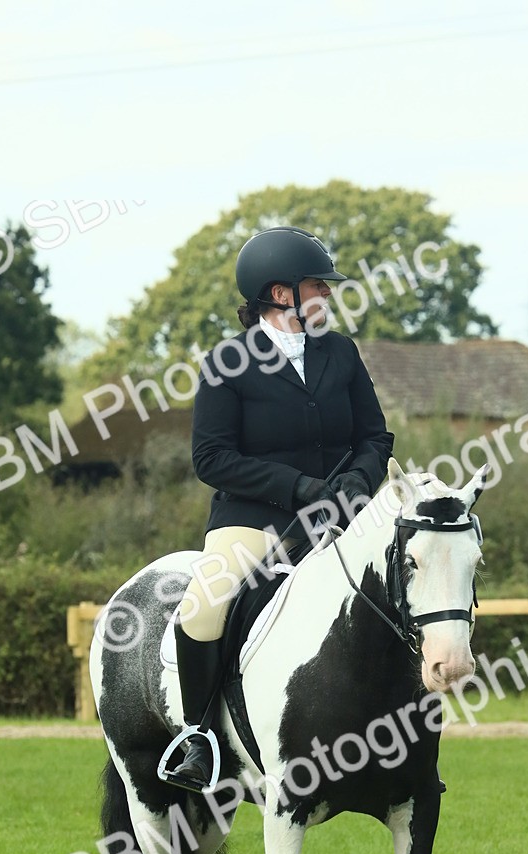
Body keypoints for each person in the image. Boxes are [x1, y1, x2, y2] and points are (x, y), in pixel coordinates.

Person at [167, 225, 394, 788]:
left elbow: (375, 437)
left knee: (409, 578)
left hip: (344, 514)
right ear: (278, 293)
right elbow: (211, 458)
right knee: (204, 603)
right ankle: (198, 738)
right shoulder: (227, 362)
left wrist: (356, 486)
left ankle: (407, 739)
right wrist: (298, 487)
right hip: (254, 519)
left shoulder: (340, 353)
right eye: (318, 286)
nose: (328, 295)